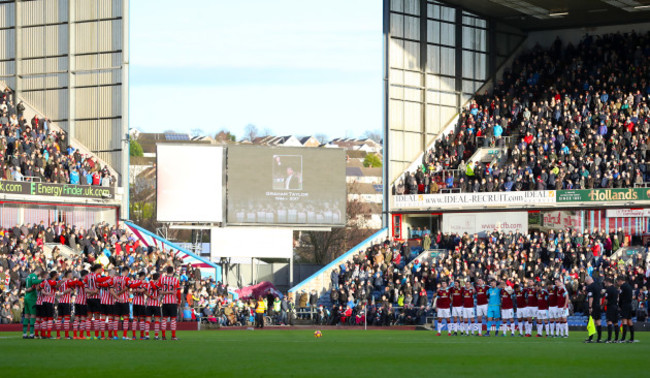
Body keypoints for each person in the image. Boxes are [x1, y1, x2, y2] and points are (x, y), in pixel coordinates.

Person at [160, 266, 180, 340]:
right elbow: (178, 292)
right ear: (173, 271)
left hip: (165, 302)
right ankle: (173, 336)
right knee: (173, 319)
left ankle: (163, 336)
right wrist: (179, 301)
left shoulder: (162, 279)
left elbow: (160, 291)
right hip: (173, 302)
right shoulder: (176, 280)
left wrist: (166, 292)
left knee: (164, 319)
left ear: (167, 271)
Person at [22, 268, 41, 339]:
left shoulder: (28, 276)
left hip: (26, 297)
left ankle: (24, 334)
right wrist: (42, 280)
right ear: (38, 272)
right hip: (31, 298)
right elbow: (34, 282)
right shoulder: (34, 276)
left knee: (26, 316)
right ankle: (31, 334)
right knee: (33, 316)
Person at [113, 267, 132, 340]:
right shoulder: (127, 279)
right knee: (125, 318)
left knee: (116, 318)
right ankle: (124, 336)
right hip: (124, 300)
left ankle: (115, 335)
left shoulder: (115, 279)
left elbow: (113, 288)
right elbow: (128, 287)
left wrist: (117, 294)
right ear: (126, 271)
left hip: (117, 301)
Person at [617, 276, 636, 343]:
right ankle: (632, 338)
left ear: (620, 280)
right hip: (629, 305)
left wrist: (619, 305)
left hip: (624, 305)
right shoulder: (629, 286)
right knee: (629, 321)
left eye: (618, 281)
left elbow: (621, 297)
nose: (617, 283)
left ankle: (623, 338)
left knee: (624, 321)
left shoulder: (623, 287)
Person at [56, 270, 74, 339]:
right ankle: (66, 336)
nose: (72, 275)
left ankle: (58, 335)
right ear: (68, 274)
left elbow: (57, 286)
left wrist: (61, 293)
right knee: (66, 319)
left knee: (59, 319)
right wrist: (63, 293)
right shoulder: (69, 281)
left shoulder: (61, 281)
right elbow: (70, 289)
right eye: (71, 274)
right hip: (66, 302)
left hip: (60, 302)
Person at [584, 276, 603, 343]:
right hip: (598, 305)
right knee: (598, 322)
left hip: (593, 306)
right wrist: (600, 305)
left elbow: (591, 297)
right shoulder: (598, 286)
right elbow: (601, 297)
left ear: (588, 281)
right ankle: (599, 338)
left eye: (586, 282)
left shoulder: (590, 287)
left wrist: (590, 307)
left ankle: (590, 338)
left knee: (591, 321)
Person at [129, 272, 148, 340]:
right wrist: (139, 290)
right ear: (142, 276)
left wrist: (136, 290)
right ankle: (141, 336)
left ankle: (134, 336)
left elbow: (132, 290)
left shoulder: (134, 282)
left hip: (135, 302)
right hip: (141, 303)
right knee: (142, 319)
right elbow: (143, 290)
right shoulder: (144, 282)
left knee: (135, 319)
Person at [145, 273, 162, 340]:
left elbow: (145, 292)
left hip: (149, 304)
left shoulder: (148, 283)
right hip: (156, 304)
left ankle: (147, 335)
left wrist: (150, 296)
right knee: (157, 320)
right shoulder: (159, 284)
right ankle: (156, 336)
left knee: (148, 320)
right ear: (158, 278)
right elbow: (160, 292)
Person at [603, 277, 619, 343]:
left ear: (608, 282)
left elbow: (606, 300)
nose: (604, 284)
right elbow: (618, 298)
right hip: (615, 306)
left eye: (605, 282)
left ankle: (609, 339)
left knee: (609, 322)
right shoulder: (616, 289)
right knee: (615, 322)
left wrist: (603, 306)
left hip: (610, 307)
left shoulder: (608, 289)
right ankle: (616, 339)